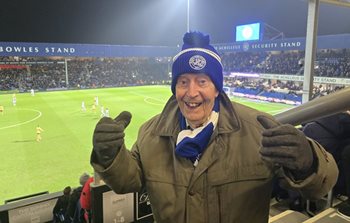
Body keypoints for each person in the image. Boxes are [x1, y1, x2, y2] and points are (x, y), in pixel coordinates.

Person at [90, 31, 338, 223]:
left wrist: (308, 162)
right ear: (174, 87)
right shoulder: (150, 133)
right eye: (183, 82)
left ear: (217, 87)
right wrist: (111, 157)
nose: (191, 93)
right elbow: (128, 182)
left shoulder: (257, 129)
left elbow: (321, 187)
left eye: (202, 81)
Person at [302, 111, 350, 219]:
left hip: (316, 174)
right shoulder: (343, 126)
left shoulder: (309, 126)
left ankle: (296, 199)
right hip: (331, 173)